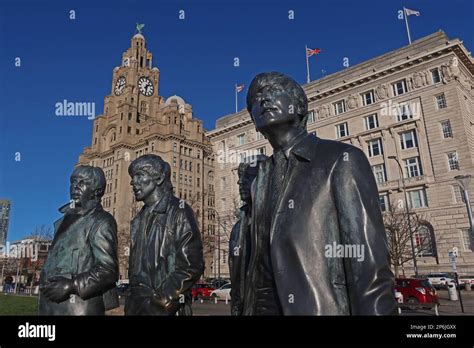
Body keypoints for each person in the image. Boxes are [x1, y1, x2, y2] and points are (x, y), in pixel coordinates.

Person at [242, 72, 397, 315]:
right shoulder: (257, 181)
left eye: (273, 90)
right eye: (255, 97)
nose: (263, 99)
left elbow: (369, 270)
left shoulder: (341, 160)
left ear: (299, 105)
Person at [125, 154, 204, 315]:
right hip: (136, 307)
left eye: (139, 175)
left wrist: (162, 301)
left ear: (159, 178)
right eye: (133, 177)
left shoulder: (179, 211)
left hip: (164, 308)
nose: (133, 182)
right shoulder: (137, 220)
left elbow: (192, 265)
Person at [39, 165, 119, 315]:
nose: (75, 186)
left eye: (82, 183)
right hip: (50, 306)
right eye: (73, 182)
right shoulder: (62, 222)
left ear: (97, 190)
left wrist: (72, 285)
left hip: (79, 307)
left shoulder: (101, 221)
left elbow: (108, 270)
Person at [229, 155, 267, 315]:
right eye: (239, 177)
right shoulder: (238, 228)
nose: (240, 182)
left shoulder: (280, 220)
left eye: (247, 176)